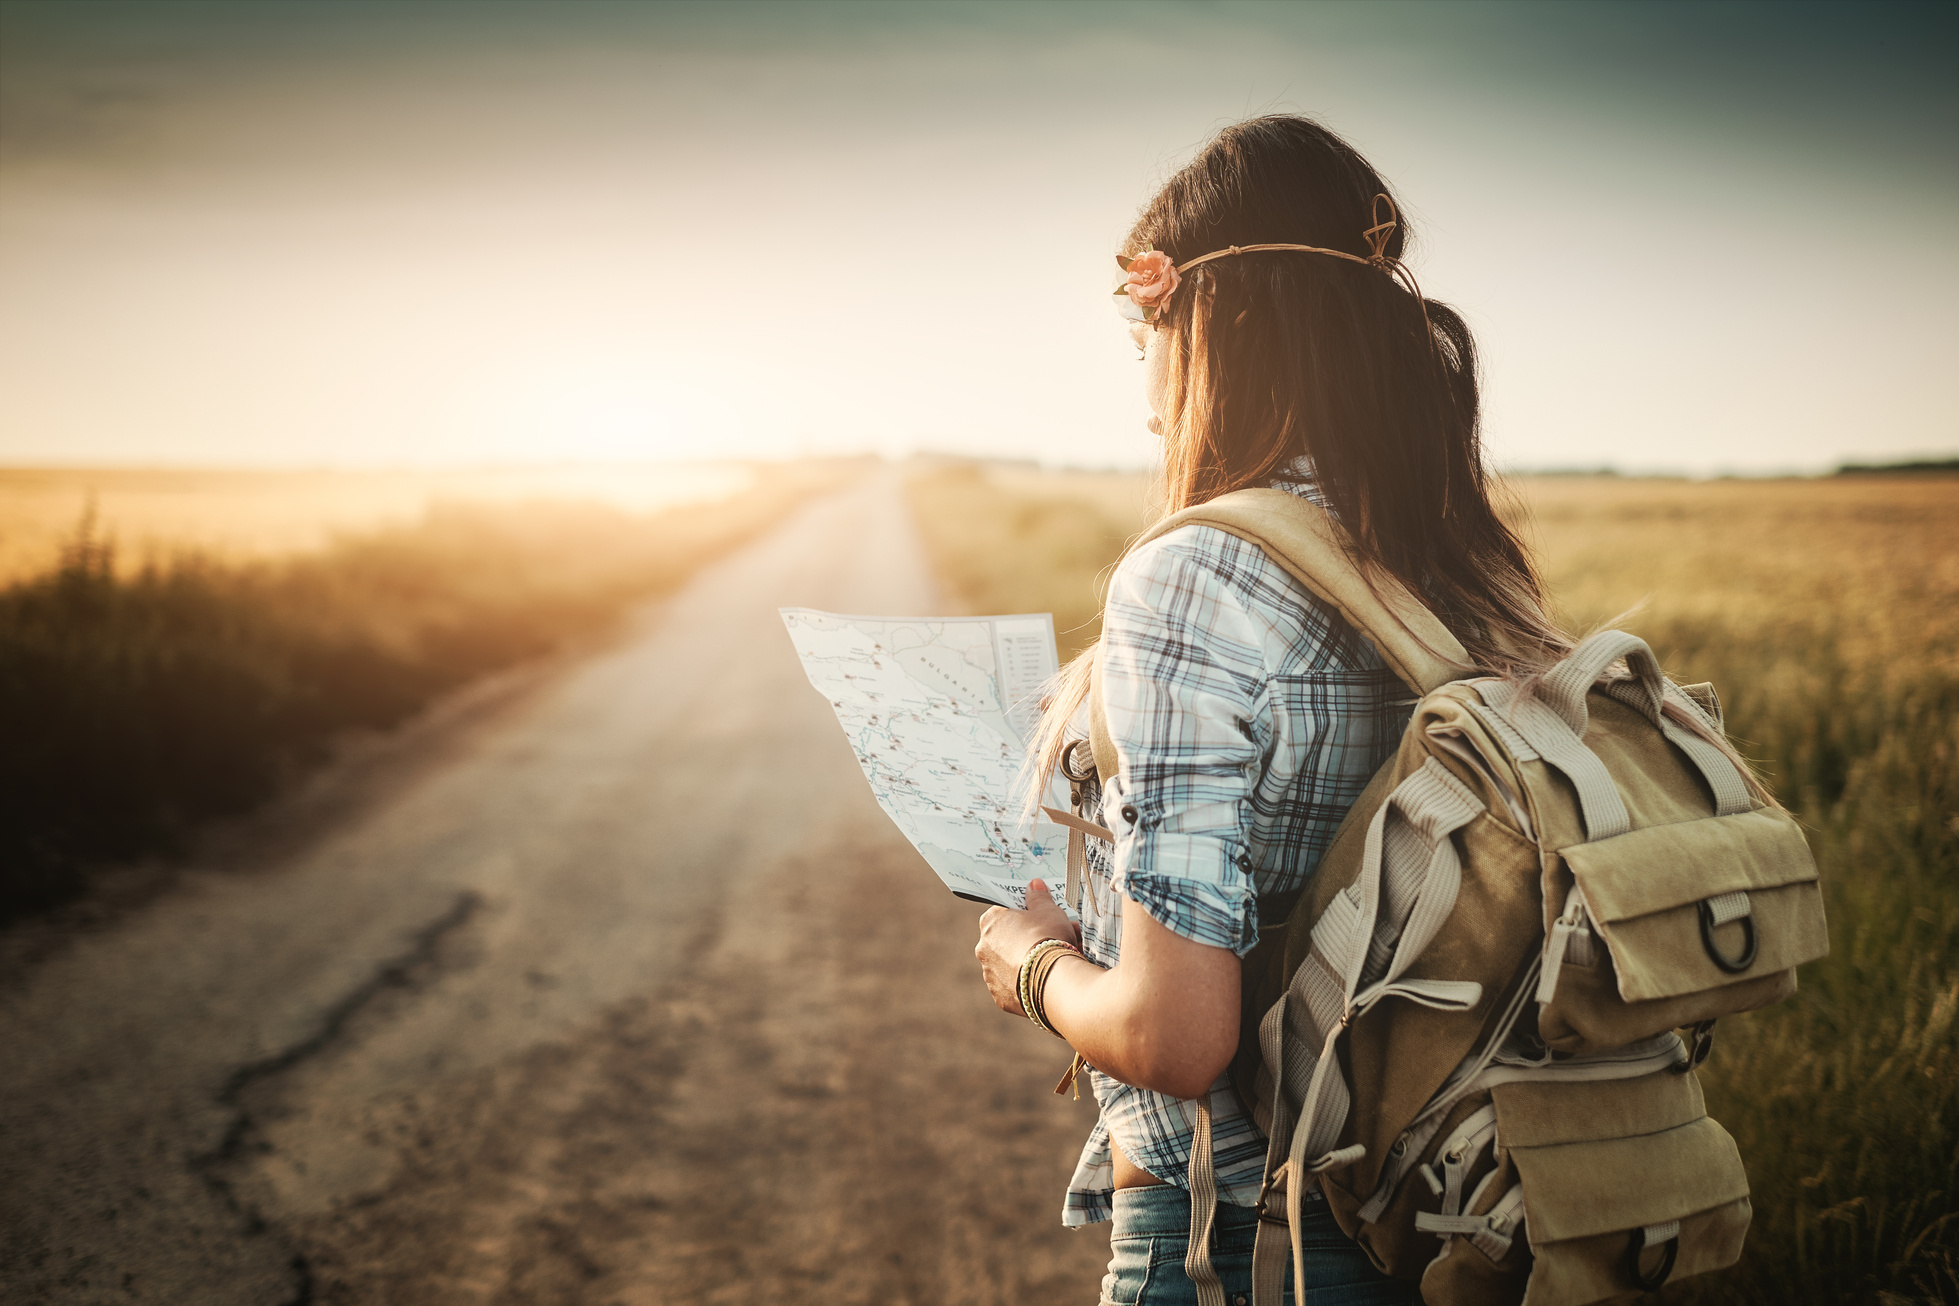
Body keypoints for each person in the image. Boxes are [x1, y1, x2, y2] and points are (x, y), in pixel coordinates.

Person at [972, 115, 1570, 1306]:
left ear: (1210, 323)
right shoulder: (1469, 569)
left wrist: (1029, 961)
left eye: (1142, 326)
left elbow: (1177, 1037)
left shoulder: (1195, 574)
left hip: (1242, 1248)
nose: (1144, 387)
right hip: (1448, 1234)